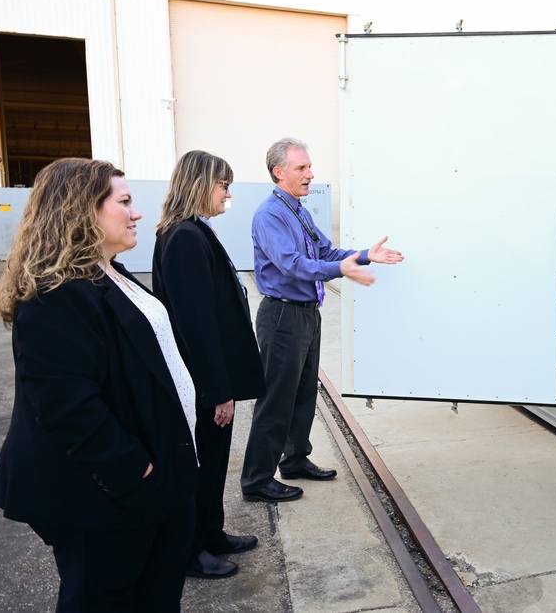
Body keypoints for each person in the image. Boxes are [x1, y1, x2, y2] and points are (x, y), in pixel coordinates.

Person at [0, 158, 199, 612]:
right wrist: (141, 475)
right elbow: (70, 409)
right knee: (103, 598)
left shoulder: (110, 275)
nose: (136, 212)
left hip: (153, 485)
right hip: (106, 498)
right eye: (124, 202)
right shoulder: (56, 295)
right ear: (81, 211)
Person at [241, 137, 403, 503]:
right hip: (282, 315)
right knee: (276, 398)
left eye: (309, 167)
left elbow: (326, 252)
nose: (310, 174)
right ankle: (256, 479)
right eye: (301, 168)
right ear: (278, 172)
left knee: (302, 393)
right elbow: (292, 265)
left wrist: (364, 255)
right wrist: (341, 269)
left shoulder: (298, 209)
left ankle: (295, 459)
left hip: (305, 315)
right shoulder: (270, 214)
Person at [153, 150, 266, 580]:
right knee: (202, 464)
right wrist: (218, 391)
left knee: (216, 460)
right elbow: (195, 323)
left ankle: (211, 531)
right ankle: (192, 548)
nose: (228, 193)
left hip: (213, 378)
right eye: (223, 185)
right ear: (200, 184)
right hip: (205, 383)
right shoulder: (183, 237)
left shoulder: (194, 230)